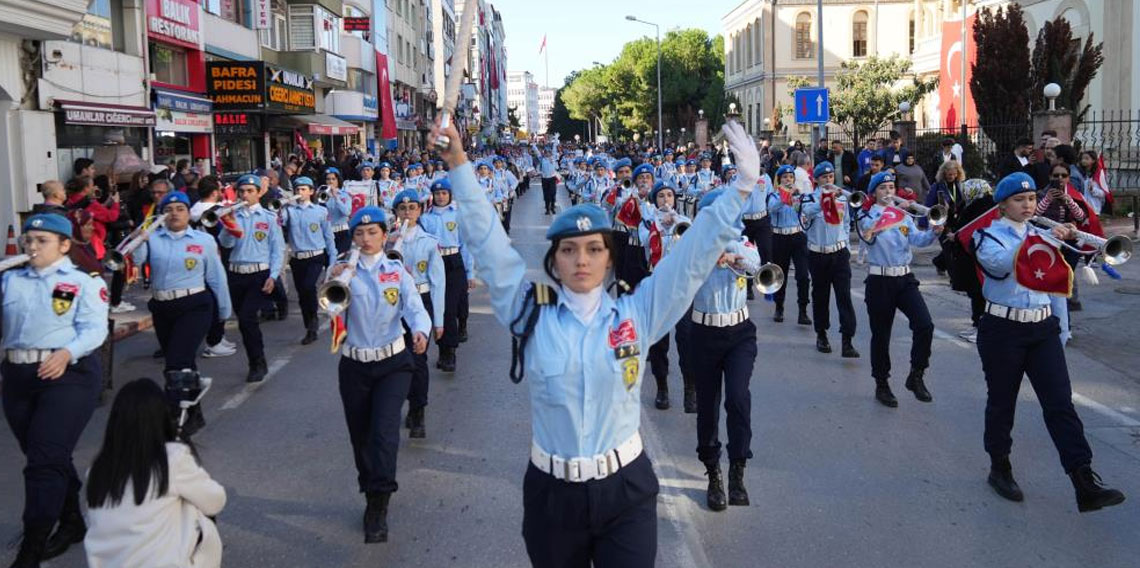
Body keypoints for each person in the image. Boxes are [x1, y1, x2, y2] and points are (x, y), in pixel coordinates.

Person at [430, 116, 759, 568]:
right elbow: (488, 240)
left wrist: (742, 187)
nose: (581, 259)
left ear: (609, 258)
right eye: (569, 249)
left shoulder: (638, 312)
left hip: (625, 489)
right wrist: (459, 164)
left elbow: (690, 257)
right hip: (552, 493)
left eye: (594, 248)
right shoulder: (530, 312)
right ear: (554, 259)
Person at [972, 172, 1125, 513]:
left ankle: (1083, 480)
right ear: (1002, 205)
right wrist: (1045, 240)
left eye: (1030, 200)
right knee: (1002, 403)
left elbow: (1056, 284)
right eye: (1019, 200)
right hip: (1003, 330)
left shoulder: (1041, 234)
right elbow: (1000, 266)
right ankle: (1000, 466)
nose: (1027, 206)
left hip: (1043, 329)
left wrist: (1062, 327)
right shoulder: (987, 236)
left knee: (1060, 405)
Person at [2, 213, 109, 566]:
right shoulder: (10, 281)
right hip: (18, 375)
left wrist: (67, 353)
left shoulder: (83, 282)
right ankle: (72, 521)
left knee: (43, 462)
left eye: (42, 241)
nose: (32, 247)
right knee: (46, 455)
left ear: (64, 245)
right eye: (28, 241)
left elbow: (94, 330)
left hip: (67, 375)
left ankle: (31, 547)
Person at [327, 205, 430, 543]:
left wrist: (421, 331)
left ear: (385, 236)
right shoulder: (342, 270)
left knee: (384, 434)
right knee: (361, 437)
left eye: (373, 232)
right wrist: (337, 277)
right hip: (355, 365)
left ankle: (379, 504)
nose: (366, 238)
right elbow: (328, 309)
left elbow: (414, 308)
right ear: (352, 238)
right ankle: (370, 488)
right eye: (359, 233)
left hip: (393, 363)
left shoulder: (397, 272)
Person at [83, 378, 226, 568]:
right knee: (194, 507)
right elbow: (215, 502)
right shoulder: (171, 458)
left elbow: (92, 521)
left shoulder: (97, 469)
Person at [131, 192, 232, 435]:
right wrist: (138, 240)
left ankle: (173, 418)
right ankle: (194, 413)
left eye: (180, 208)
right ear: (162, 214)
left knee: (176, 361)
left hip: (195, 305)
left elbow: (216, 277)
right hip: (163, 306)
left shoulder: (203, 240)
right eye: (169, 209)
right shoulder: (153, 238)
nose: (174, 213)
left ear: (188, 213)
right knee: (180, 363)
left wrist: (223, 309)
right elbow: (137, 261)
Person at [688, 187, 761, 512]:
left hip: (739, 333)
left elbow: (755, 265)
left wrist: (731, 255)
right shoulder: (692, 247)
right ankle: (713, 472)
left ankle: (737, 471)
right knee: (708, 407)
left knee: (737, 398)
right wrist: (706, 255)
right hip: (703, 333)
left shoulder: (742, 240)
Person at [856, 172, 939, 407]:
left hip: (904, 277)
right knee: (881, 335)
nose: (888, 192)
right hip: (879, 280)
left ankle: (917, 374)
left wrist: (934, 232)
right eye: (883, 188)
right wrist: (878, 223)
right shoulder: (865, 215)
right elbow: (868, 237)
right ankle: (881, 383)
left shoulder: (902, 215)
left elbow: (918, 240)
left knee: (925, 325)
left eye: (891, 187)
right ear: (874, 193)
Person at [217, 175, 285, 383]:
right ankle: (256, 359)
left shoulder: (268, 217)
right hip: (236, 274)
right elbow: (225, 244)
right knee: (244, 321)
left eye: (249, 191)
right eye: (242, 191)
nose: (245, 195)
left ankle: (257, 362)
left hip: (259, 274)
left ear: (258, 193)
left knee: (247, 319)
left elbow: (277, 249)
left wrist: (273, 276)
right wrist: (229, 226)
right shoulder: (233, 215)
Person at [390, 189, 445, 438]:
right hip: (392, 303)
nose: (408, 212)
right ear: (396, 213)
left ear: (420, 211)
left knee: (418, 361)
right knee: (395, 362)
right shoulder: (387, 240)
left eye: (412, 208)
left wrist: (439, 320)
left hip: (420, 301)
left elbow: (438, 283)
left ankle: (418, 410)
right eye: (402, 209)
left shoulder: (429, 242)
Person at [637, 181, 692, 410]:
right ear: (654, 199)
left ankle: (691, 388)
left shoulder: (685, 221)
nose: (666, 199)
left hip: (680, 288)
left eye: (670, 195)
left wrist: (676, 223)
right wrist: (663, 227)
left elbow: (692, 247)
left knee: (687, 340)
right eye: (661, 196)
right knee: (659, 343)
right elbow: (644, 243)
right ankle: (662, 387)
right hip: (658, 285)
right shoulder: (647, 222)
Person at [799, 162, 859, 358]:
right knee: (820, 296)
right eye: (824, 177)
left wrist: (847, 249)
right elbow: (806, 213)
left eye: (831, 177)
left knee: (844, 297)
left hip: (839, 253)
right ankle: (821, 334)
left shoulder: (842, 198)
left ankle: (847, 340)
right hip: (818, 254)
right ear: (816, 180)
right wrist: (825, 199)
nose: (828, 180)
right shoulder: (808, 199)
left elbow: (847, 223)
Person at [420, 178, 474, 372]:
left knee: (449, 309)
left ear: (450, 195)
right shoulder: (425, 218)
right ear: (432, 196)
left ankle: (448, 353)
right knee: (436, 307)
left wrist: (470, 273)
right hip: (433, 263)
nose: (441, 197)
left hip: (453, 262)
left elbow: (466, 245)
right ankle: (437, 348)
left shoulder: (458, 215)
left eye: (444, 193)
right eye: (437, 194)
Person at [278, 177, 337, 345]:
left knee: (308, 286)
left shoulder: (320, 211)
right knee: (302, 294)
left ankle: (313, 325)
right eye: (297, 190)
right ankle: (309, 323)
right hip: (297, 258)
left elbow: (328, 236)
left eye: (304, 189)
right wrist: (282, 206)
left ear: (311, 191)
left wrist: (332, 258)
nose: (300, 193)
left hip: (316, 256)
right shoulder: (290, 211)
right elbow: (280, 222)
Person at [767, 165, 811, 325]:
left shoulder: (799, 195)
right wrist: (784, 196)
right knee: (780, 275)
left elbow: (806, 211)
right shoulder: (773, 195)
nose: (788, 180)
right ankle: (779, 307)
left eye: (791, 177)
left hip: (798, 236)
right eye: (785, 177)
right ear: (779, 180)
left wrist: (798, 198)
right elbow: (772, 208)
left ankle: (803, 310)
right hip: (780, 237)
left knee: (803, 276)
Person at [323, 167, 354, 254]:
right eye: (328, 179)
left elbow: (347, 212)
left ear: (338, 180)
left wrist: (336, 197)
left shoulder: (345, 195)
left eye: (333, 179)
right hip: (328, 232)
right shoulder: (322, 195)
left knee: (340, 261)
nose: (331, 182)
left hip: (342, 232)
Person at [538, 147, 559, 214]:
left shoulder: (553, 159)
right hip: (544, 179)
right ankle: (547, 209)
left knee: (553, 193)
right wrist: (533, 145)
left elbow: (555, 149)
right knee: (546, 195)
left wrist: (555, 138)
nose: (547, 154)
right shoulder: (542, 159)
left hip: (552, 178)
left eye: (548, 152)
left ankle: (552, 207)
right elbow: (537, 153)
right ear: (544, 153)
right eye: (546, 152)